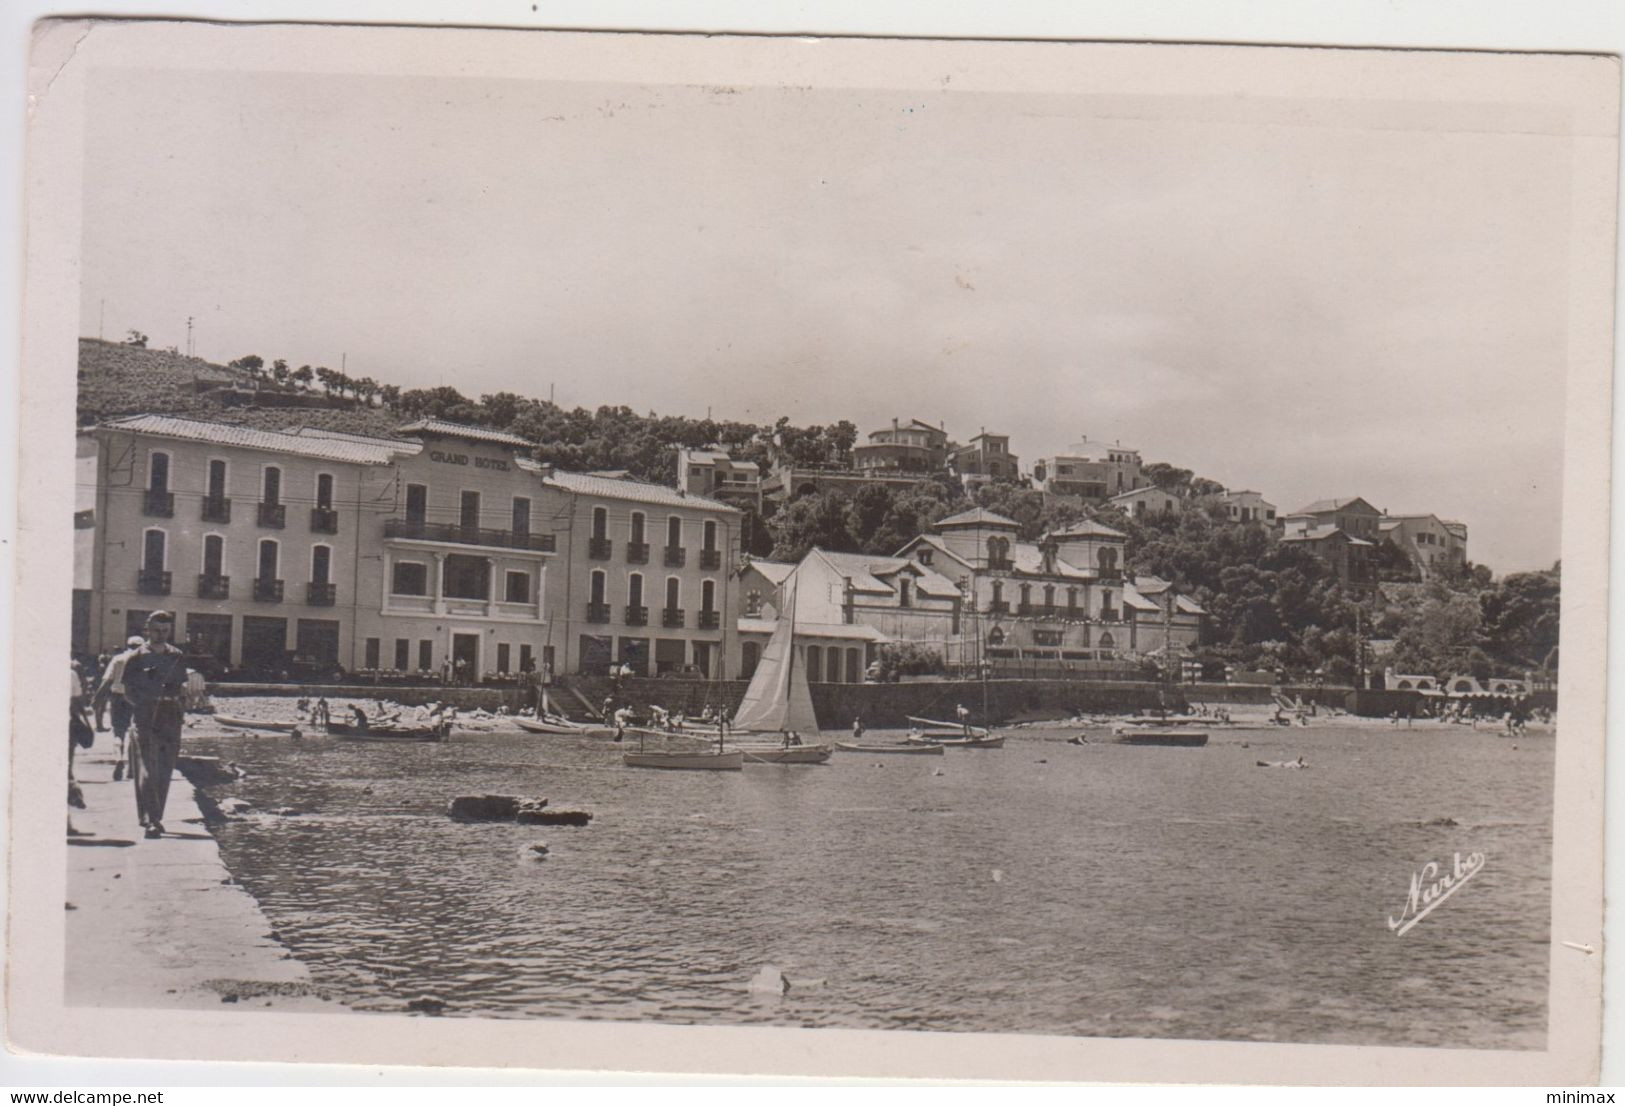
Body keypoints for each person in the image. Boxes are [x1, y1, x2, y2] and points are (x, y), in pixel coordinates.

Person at [122, 611, 190, 839]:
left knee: (165, 768)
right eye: (157, 630)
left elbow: (181, 687)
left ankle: (154, 815)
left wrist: (179, 709)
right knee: (149, 768)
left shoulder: (177, 655)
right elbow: (127, 692)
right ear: (147, 631)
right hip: (146, 716)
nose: (161, 635)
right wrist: (143, 706)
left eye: (165, 631)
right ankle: (152, 820)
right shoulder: (136, 657)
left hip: (171, 716)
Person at [92, 635, 144, 782]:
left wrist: (97, 699)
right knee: (134, 733)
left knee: (118, 732)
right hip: (136, 699)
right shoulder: (144, 660)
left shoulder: (118, 659)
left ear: (127, 645)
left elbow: (107, 681)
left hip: (118, 698)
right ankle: (131, 770)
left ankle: (118, 758)